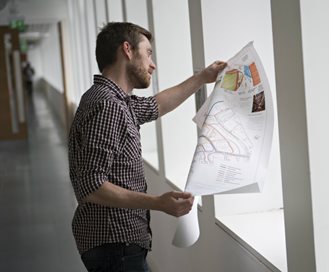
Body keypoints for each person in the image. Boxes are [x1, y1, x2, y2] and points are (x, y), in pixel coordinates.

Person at [68, 22, 226, 272]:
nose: (153, 64)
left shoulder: (118, 102)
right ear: (127, 50)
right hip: (114, 245)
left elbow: (157, 105)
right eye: (149, 53)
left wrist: (202, 78)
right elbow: (91, 185)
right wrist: (158, 202)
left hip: (115, 244)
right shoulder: (108, 106)